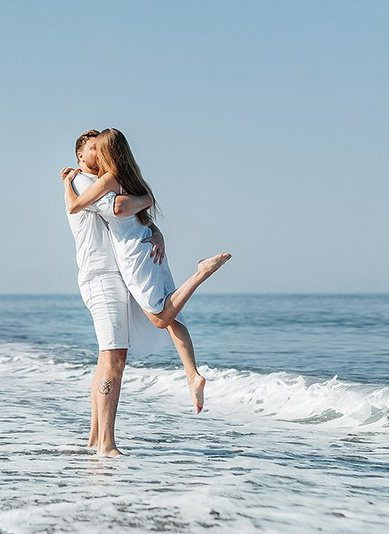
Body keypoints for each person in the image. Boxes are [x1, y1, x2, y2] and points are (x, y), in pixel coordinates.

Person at [62, 128, 231, 417]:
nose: (95, 153)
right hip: (142, 247)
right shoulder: (125, 178)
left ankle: (202, 272)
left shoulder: (106, 179)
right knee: (169, 315)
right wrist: (153, 222)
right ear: (80, 155)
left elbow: (106, 208)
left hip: (132, 255)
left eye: (98, 148)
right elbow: (140, 209)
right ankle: (192, 376)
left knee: (160, 316)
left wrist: (66, 183)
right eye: (91, 148)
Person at [63, 130, 170, 457]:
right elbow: (121, 208)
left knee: (107, 358)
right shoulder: (82, 181)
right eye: (94, 148)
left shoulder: (96, 182)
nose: (101, 152)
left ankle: (96, 438)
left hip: (110, 276)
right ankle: (107, 445)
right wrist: (148, 198)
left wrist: (156, 231)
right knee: (114, 357)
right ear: (81, 156)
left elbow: (133, 220)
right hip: (101, 276)